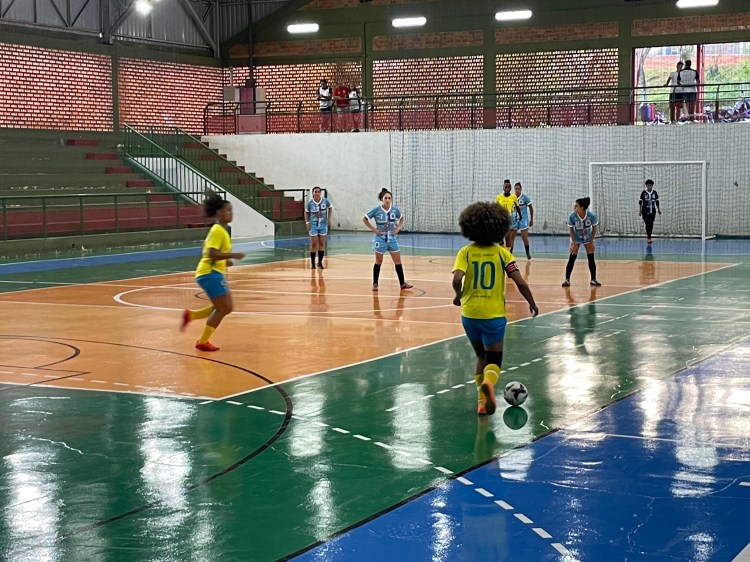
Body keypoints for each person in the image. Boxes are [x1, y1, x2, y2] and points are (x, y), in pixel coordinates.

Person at [451, 201, 538, 416]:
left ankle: (482, 402)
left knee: (480, 356)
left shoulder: (465, 252)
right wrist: (532, 302)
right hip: (493, 316)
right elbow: (520, 282)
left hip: (470, 314)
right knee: (494, 360)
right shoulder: (502, 254)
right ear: (499, 228)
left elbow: (457, 279)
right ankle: (488, 384)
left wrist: (458, 295)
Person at [181, 191, 246, 352]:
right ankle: (202, 341)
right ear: (219, 213)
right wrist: (232, 255)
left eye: (231, 210)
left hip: (213, 273)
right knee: (224, 308)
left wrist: (226, 261)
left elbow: (216, 254)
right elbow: (211, 253)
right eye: (227, 210)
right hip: (209, 273)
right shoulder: (217, 230)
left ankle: (191, 316)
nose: (231, 213)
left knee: (224, 307)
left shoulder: (222, 230)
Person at [362, 188, 413, 291]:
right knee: (378, 261)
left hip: (392, 238)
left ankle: (402, 283)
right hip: (380, 239)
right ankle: (375, 283)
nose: (388, 200)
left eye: (389, 198)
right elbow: (365, 219)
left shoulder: (395, 210)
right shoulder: (376, 210)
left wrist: (398, 228)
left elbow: (401, 218)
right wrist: (374, 229)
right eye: (386, 198)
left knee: (397, 261)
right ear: (382, 199)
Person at [562, 196, 601, 287]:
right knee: (572, 256)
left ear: (582, 208)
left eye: (576, 206)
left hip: (588, 237)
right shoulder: (572, 216)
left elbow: (594, 228)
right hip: (576, 237)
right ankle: (567, 280)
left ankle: (593, 279)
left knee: (591, 257)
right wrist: (574, 243)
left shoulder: (591, 216)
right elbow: (571, 230)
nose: (574, 207)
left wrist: (591, 240)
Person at [305, 186, 332, 268]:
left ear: (320, 193)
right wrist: (307, 222)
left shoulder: (325, 201)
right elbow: (306, 212)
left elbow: (330, 207)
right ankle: (313, 263)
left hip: (323, 225)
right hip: (313, 226)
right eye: (315, 192)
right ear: (313, 193)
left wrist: (329, 218)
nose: (317, 193)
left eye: (318, 192)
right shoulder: (310, 203)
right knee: (314, 243)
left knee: (322, 243)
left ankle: (320, 262)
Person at [496, 179, 521, 249]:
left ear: (510, 189)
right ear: (503, 188)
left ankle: (508, 254)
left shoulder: (513, 197)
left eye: (508, 187)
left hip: (508, 218)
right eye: (505, 187)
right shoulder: (499, 197)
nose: (507, 189)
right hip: (501, 218)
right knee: (499, 239)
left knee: (507, 238)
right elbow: (496, 207)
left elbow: (517, 207)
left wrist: (520, 216)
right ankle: (504, 251)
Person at [513, 182, 534, 259]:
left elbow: (531, 208)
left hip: (523, 220)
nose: (517, 190)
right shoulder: (512, 198)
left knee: (524, 238)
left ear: (521, 189)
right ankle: (510, 254)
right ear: (514, 189)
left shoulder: (525, 198)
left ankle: (527, 253)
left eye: (518, 189)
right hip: (514, 220)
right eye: (516, 189)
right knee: (512, 238)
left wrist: (531, 220)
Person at [639, 179, 661, 244]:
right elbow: (640, 202)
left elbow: (657, 202)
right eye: (648, 185)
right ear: (646, 186)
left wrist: (659, 209)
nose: (649, 186)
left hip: (652, 211)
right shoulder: (643, 193)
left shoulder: (655, 193)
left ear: (652, 186)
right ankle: (649, 237)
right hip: (645, 211)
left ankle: (649, 235)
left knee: (651, 224)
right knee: (647, 224)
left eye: (651, 185)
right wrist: (640, 211)